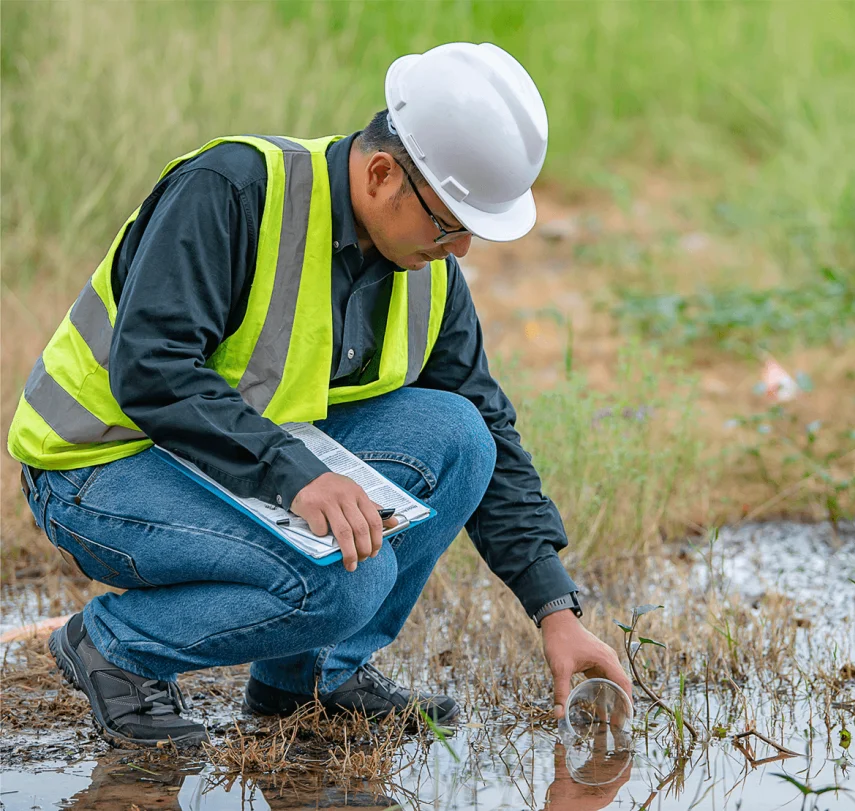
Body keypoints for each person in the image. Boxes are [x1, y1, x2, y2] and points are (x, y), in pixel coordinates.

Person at [8, 42, 631, 748]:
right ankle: (115, 645)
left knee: (462, 435)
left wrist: (556, 608)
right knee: (345, 583)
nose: (459, 250)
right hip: (99, 467)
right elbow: (152, 368)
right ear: (380, 172)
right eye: (449, 222)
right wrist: (295, 476)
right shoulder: (234, 191)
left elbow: (486, 417)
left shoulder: (425, 264)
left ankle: (309, 677)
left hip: (226, 460)